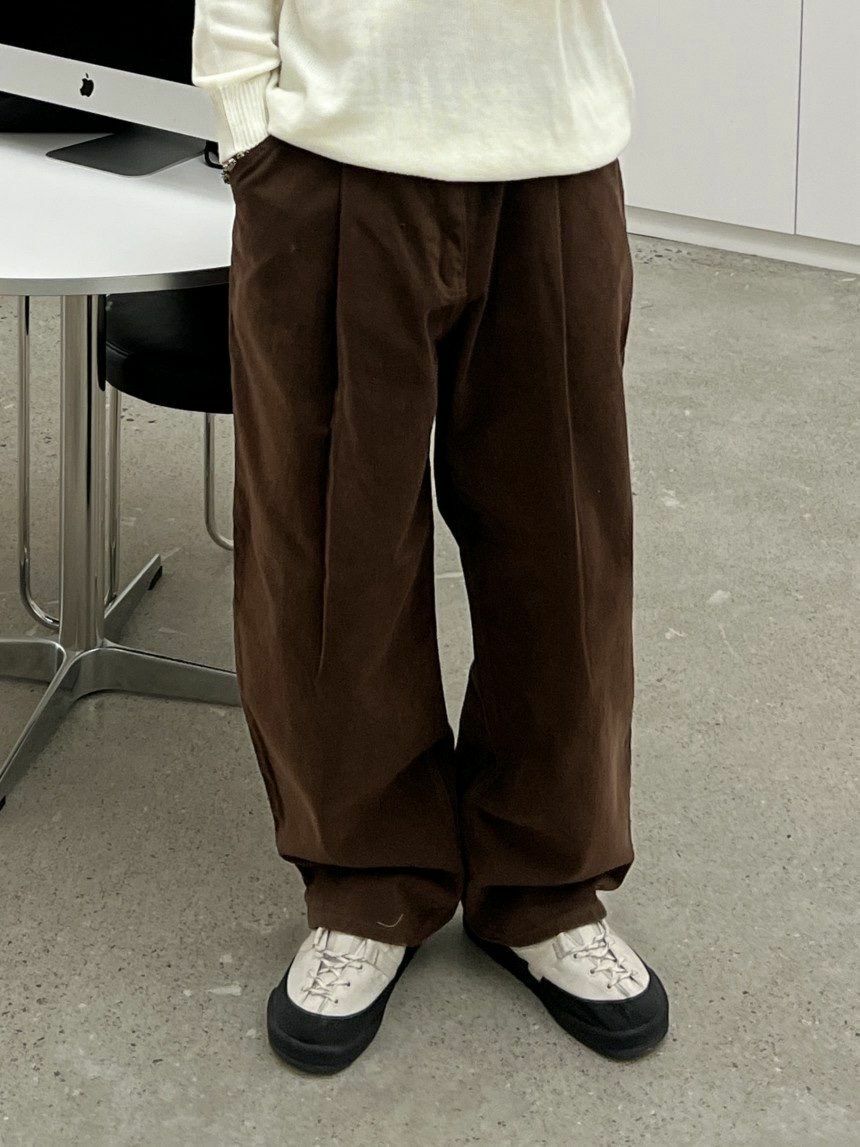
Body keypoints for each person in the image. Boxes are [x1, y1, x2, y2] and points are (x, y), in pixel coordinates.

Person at [191, 0, 669, 1074]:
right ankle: (364, 883)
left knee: (564, 557)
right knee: (330, 556)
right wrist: (245, 118)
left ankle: (546, 884)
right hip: (330, 149)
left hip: (552, 146)